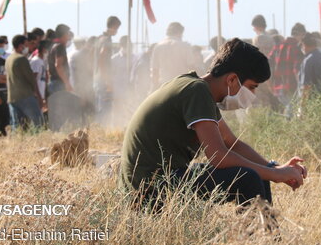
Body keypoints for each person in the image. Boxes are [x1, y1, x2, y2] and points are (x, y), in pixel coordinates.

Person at [119, 38, 307, 208]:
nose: (253, 95)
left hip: (162, 178)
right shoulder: (197, 92)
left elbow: (231, 143)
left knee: (257, 173)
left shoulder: (197, 88)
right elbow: (219, 156)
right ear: (232, 79)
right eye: (251, 87)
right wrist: (275, 174)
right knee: (249, 178)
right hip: (149, 188)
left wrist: (273, 168)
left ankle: (268, 240)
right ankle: (258, 242)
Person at [5, 35, 45, 130]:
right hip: (25, 96)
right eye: (26, 45)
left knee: (18, 127)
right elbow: (31, 79)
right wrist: (38, 96)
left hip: (12, 97)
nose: (28, 47)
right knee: (38, 123)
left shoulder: (9, 59)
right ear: (21, 46)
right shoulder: (21, 59)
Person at [151, 22, 201, 90]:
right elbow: (191, 67)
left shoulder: (158, 47)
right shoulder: (185, 46)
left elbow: (155, 70)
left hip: (164, 85)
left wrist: (155, 86)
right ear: (180, 32)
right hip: (181, 85)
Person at [268, 23, 305, 104]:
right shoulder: (297, 48)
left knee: (288, 111)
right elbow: (297, 71)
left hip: (278, 89)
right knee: (292, 114)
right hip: (292, 88)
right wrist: (302, 89)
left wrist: (270, 86)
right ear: (301, 35)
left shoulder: (277, 47)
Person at [94, 16, 121, 117]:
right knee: (105, 109)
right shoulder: (106, 40)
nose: (117, 31)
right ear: (114, 26)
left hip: (97, 78)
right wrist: (107, 80)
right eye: (117, 28)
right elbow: (102, 58)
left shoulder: (99, 38)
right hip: (103, 79)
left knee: (100, 107)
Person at [299, 33, 321, 100]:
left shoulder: (307, 61)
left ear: (304, 45)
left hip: (313, 102)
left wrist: (302, 106)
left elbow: (306, 86)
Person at [47, 24, 73, 95]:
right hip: (59, 83)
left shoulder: (53, 46)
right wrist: (66, 83)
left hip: (53, 83)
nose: (68, 37)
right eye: (68, 34)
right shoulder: (60, 47)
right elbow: (58, 65)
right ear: (64, 35)